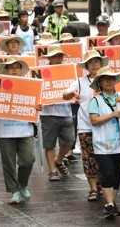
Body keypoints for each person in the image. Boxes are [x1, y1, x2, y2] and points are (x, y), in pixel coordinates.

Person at [63, 50, 109, 201]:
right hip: (86, 126)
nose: (94, 64)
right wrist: (71, 94)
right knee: (88, 157)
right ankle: (93, 188)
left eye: (97, 61)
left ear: (101, 63)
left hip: (106, 125)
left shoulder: (108, 80)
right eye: (91, 62)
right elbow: (65, 94)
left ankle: (101, 183)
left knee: (104, 157)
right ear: (87, 66)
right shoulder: (80, 82)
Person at [0, 57, 41, 204]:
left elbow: (37, 104)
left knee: (28, 159)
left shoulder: (30, 85)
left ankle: (22, 184)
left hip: (25, 129)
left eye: (17, 67)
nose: (14, 69)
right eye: (11, 67)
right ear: (6, 70)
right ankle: (14, 190)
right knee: (8, 163)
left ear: (21, 70)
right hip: (5, 131)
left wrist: (38, 108)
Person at [89, 66, 120, 218]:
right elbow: (94, 120)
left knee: (117, 176)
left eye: (111, 78)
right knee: (108, 174)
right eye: (105, 79)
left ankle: (111, 204)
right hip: (102, 145)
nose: (109, 81)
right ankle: (109, 204)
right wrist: (112, 115)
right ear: (100, 82)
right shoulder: (96, 100)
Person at [40, 45, 75, 181]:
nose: (58, 58)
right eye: (54, 56)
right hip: (48, 113)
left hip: (66, 111)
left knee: (70, 140)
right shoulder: (41, 72)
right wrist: (45, 98)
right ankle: (52, 170)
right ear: (49, 58)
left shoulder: (69, 71)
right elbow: (36, 90)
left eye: (60, 56)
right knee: (49, 143)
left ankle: (59, 160)